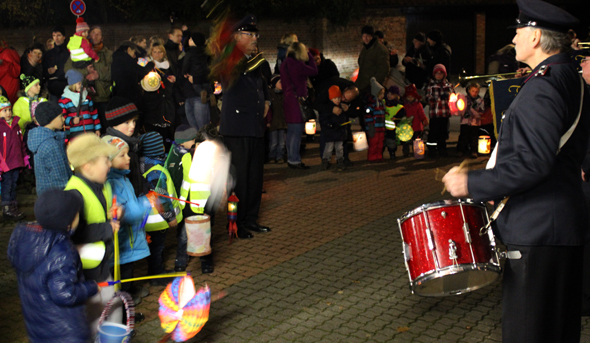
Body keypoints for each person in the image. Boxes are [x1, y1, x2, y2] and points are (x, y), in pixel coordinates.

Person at [442, 1, 589, 341]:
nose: (516, 37)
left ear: (536, 36)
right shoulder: (571, 77)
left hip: (537, 229)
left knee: (529, 332)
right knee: (558, 330)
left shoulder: (544, 86)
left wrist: (471, 182)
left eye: (520, 30)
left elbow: (533, 163)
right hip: (561, 225)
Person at [209, 14, 272, 239]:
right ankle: (235, 224)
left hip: (254, 126)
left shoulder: (253, 60)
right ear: (237, 37)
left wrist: (267, 101)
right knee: (240, 181)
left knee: (255, 178)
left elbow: (263, 86)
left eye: (256, 34)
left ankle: (251, 219)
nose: (255, 38)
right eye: (250, 34)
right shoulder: (230, 60)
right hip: (236, 129)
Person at [7, 190, 99, 343]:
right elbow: (65, 294)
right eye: (77, 214)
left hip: (37, 328)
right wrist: (91, 287)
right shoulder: (61, 249)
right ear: (68, 221)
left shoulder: (25, 239)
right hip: (65, 331)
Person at [64, 133, 121, 335]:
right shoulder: (74, 193)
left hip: (102, 265)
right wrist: (107, 228)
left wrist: (112, 214)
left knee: (113, 310)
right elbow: (73, 232)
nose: (110, 164)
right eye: (105, 160)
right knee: (98, 317)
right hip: (87, 274)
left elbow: (100, 211)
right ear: (88, 166)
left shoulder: (101, 184)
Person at [103, 135, 151, 305]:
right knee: (122, 272)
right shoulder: (112, 183)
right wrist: (146, 204)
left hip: (130, 238)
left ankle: (129, 290)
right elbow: (128, 213)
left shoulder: (123, 178)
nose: (128, 158)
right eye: (122, 155)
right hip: (123, 241)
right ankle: (123, 301)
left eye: (128, 154)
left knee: (127, 269)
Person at [140, 132, 182, 285]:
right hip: (158, 219)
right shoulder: (156, 171)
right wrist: (170, 217)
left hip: (148, 217)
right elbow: (162, 197)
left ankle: (156, 271)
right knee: (157, 248)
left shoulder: (144, 164)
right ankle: (157, 275)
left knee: (154, 248)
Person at [173, 125, 214, 274]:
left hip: (203, 204)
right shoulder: (185, 158)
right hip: (186, 204)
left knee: (204, 234)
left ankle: (206, 262)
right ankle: (181, 259)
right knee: (183, 235)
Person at [280, 41, 318, 169]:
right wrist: (309, 54)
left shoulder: (284, 64)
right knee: (297, 132)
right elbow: (314, 70)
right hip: (298, 101)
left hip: (288, 99)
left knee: (291, 131)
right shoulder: (298, 64)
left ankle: (291, 158)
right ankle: (295, 160)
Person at [27, 101, 71, 195]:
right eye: (61, 116)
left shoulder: (42, 139)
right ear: (50, 119)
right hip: (57, 197)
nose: (64, 119)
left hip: (46, 195)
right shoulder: (50, 145)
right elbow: (59, 178)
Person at [104, 96, 144, 197]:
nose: (133, 126)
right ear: (114, 124)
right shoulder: (111, 148)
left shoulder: (132, 143)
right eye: (127, 122)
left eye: (134, 121)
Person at [144, 43, 176, 148]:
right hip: (152, 103)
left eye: (160, 52)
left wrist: (172, 82)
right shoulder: (146, 66)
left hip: (166, 103)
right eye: (155, 52)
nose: (157, 54)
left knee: (166, 131)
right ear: (151, 53)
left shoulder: (169, 66)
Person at [0, 96, 27, 219]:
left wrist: (24, 158)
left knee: (14, 184)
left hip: (16, 162)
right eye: (4, 110)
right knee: (7, 185)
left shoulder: (15, 126)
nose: (8, 113)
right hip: (5, 164)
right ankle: (6, 209)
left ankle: (13, 207)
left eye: (9, 110)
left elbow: (20, 143)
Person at [111, 41, 154, 113]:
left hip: (119, 94)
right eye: (134, 53)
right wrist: (151, 64)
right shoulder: (126, 60)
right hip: (129, 96)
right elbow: (141, 71)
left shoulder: (116, 58)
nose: (134, 56)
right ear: (129, 50)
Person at [181, 32, 211, 131]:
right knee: (195, 128)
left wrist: (187, 74)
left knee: (202, 128)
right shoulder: (205, 53)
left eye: (190, 39)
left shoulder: (190, 54)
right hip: (189, 95)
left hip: (197, 97)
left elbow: (211, 73)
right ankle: (210, 94)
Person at [60, 69, 100, 138]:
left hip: (89, 131)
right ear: (73, 84)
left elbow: (94, 113)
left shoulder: (86, 97)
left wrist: (97, 128)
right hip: (75, 133)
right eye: (79, 83)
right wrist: (72, 121)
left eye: (81, 83)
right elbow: (62, 117)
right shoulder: (64, 100)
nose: (81, 85)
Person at [425, 63, 453, 157]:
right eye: (437, 73)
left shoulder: (448, 85)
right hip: (435, 113)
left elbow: (454, 96)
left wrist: (449, 95)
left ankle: (442, 149)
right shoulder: (431, 85)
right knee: (433, 132)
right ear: (434, 74)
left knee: (443, 132)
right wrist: (438, 98)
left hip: (445, 113)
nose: (439, 75)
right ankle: (432, 150)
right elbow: (428, 98)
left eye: (441, 73)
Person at [356, 25, 390, 94]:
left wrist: (374, 84)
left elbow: (384, 69)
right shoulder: (365, 48)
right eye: (363, 36)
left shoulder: (380, 49)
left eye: (367, 36)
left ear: (372, 36)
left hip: (370, 86)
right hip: (362, 84)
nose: (365, 38)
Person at [320, 85, 348, 171]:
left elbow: (343, 118)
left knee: (339, 148)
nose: (337, 100)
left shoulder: (341, 107)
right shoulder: (328, 108)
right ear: (331, 98)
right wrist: (330, 125)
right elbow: (323, 119)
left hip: (339, 132)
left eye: (338, 98)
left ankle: (340, 161)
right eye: (335, 98)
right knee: (328, 148)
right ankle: (325, 161)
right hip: (330, 132)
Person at [43, 26, 70, 103]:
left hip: (68, 88)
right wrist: (48, 72)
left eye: (59, 35)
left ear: (64, 37)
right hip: (53, 90)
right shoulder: (48, 54)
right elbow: (43, 71)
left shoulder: (69, 52)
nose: (56, 38)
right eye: (54, 36)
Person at [457, 82, 484, 158]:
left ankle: (474, 151)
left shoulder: (480, 100)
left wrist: (474, 111)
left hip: (475, 123)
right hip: (465, 122)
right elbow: (461, 108)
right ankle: (461, 150)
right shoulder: (464, 99)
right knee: (463, 137)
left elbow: (481, 111)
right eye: (473, 91)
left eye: (476, 91)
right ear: (469, 90)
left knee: (474, 137)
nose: (474, 93)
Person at [401, 84, 428, 157]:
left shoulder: (418, 105)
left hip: (417, 127)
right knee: (406, 140)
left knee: (417, 140)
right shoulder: (404, 105)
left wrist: (424, 119)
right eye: (408, 97)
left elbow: (421, 114)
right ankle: (406, 152)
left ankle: (418, 153)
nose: (410, 98)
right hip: (407, 127)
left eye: (411, 97)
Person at [383, 85, 406, 160]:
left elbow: (402, 117)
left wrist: (396, 118)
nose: (389, 95)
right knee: (382, 142)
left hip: (392, 129)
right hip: (382, 127)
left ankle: (392, 153)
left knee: (391, 142)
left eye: (392, 94)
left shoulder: (399, 107)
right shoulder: (383, 103)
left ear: (396, 96)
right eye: (388, 93)